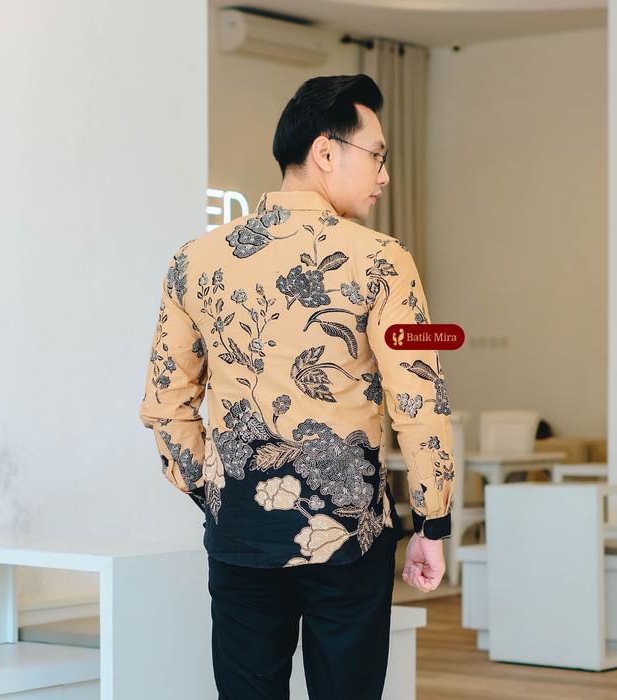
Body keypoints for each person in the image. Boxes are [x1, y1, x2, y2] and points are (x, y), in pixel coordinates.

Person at [139, 73, 456, 700]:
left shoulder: (193, 260)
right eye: (378, 156)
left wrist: (216, 492)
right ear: (326, 152)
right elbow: (419, 399)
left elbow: (166, 401)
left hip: (239, 535)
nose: (385, 175)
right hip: (350, 536)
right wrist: (433, 521)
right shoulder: (384, 260)